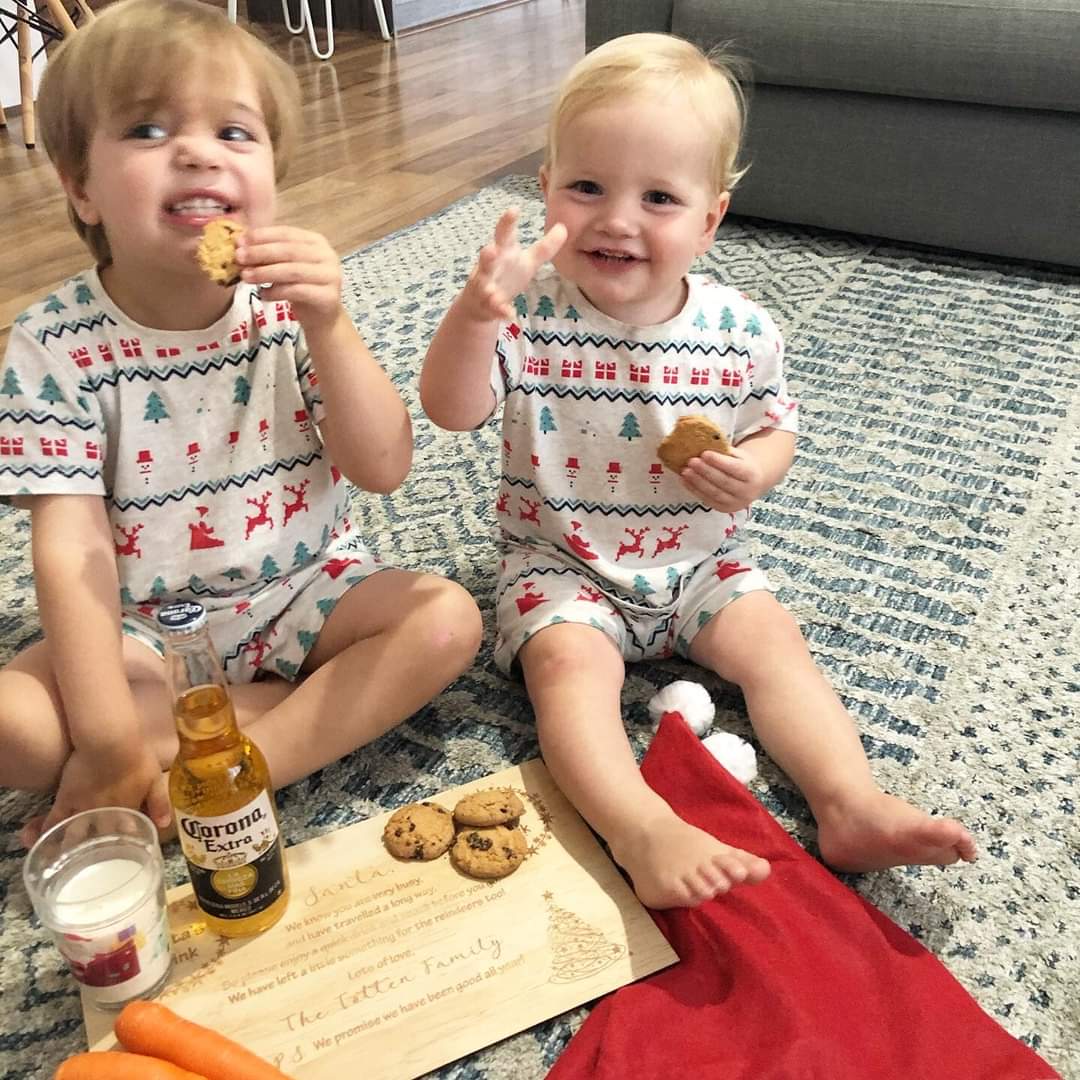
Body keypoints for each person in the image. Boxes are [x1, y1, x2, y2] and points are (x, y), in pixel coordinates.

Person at [420, 33, 976, 909]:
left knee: (777, 648)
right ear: (545, 193)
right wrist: (471, 317)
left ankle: (850, 802)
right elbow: (451, 410)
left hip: (700, 563)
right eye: (588, 187)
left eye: (659, 197)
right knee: (567, 675)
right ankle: (638, 828)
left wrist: (755, 472)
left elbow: (777, 425)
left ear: (709, 219)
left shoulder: (743, 329)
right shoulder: (522, 313)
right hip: (561, 564)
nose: (618, 218)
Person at [0, 0, 482, 849]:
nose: (195, 151)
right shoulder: (54, 343)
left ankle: (239, 765)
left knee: (445, 621)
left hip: (308, 595)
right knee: (13, 726)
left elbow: (383, 466)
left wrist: (331, 325)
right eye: (148, 129)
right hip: (144, 633)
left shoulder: (287, 314)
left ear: (272, 173)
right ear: (81, 186)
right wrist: (109, 736)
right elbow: (69, 551)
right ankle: (192, 735)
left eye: (234, 133)